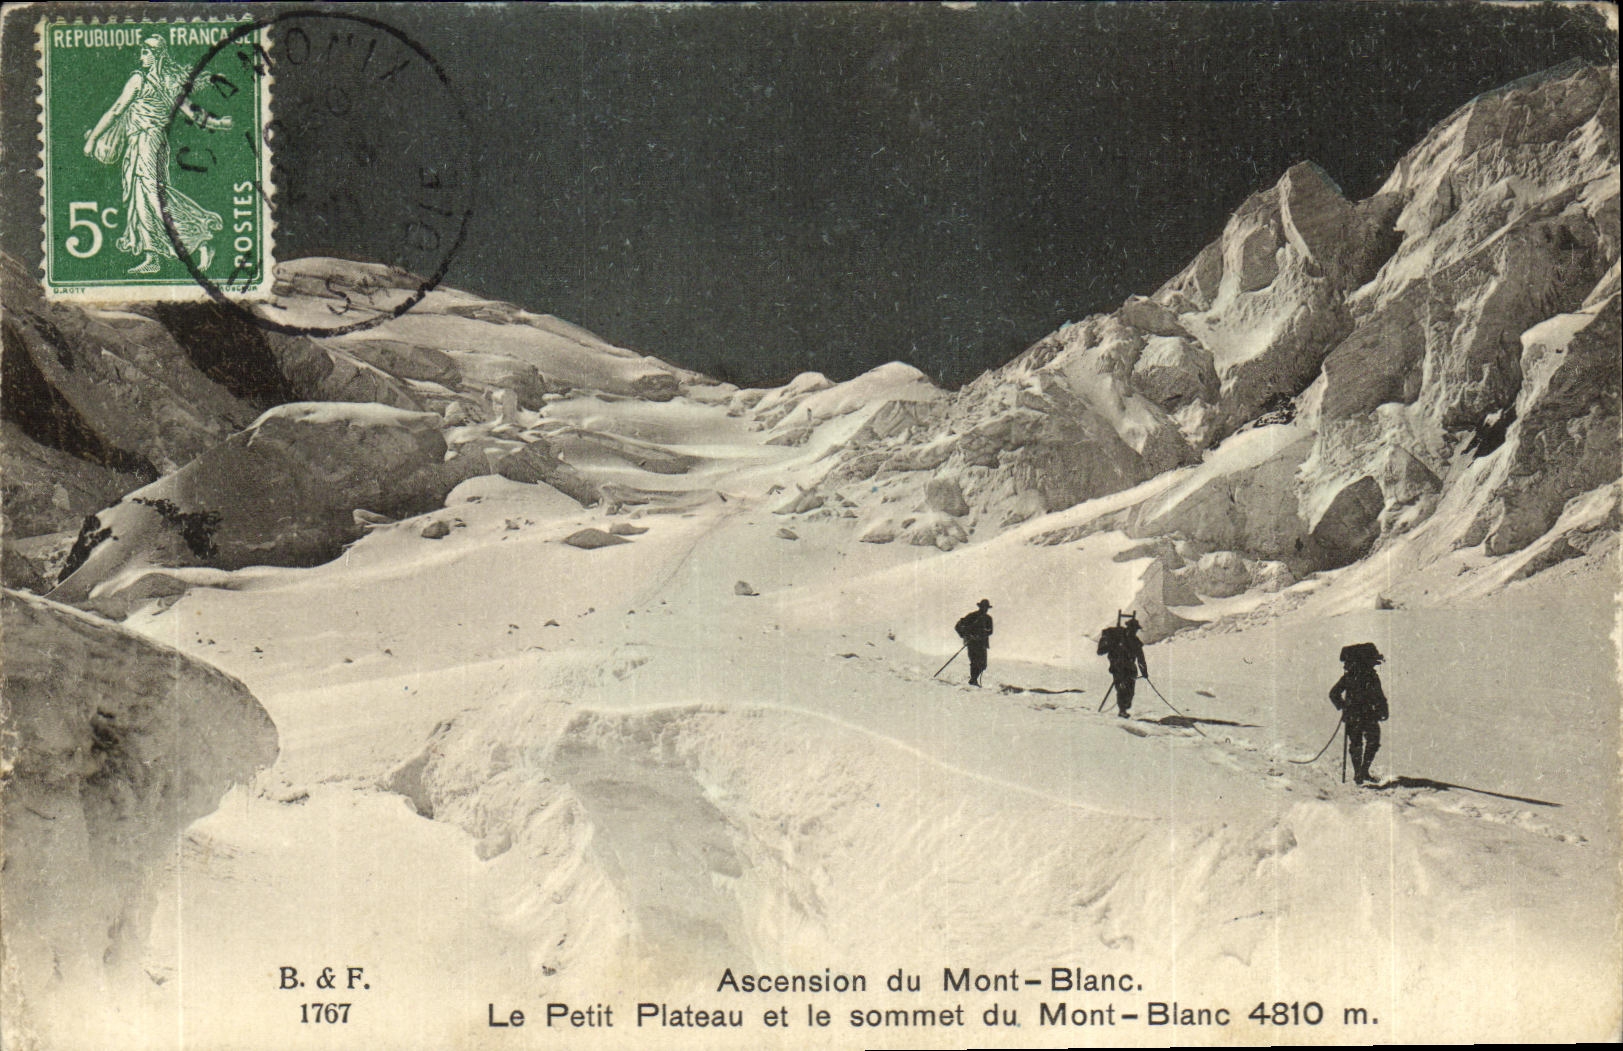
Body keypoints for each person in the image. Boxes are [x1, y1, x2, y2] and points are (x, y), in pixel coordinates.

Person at [84, 35, 230, 274]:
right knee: (140, 198)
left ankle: (200, 237)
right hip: (152, 143)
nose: (141, 57)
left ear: (156, 55)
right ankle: (152, 256)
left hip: (145, 142)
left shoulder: (138, 79)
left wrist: (92, 139)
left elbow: (116, 110)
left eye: (145, 53)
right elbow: (192, 112)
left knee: (152, 197)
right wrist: (219, 123)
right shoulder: (169, 81)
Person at [1329, 643, 1389, 785]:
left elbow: (1334, 694)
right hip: (1365, 715)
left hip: (1356, 715)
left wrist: (1343, 706)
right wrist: (1383, 709)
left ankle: (1360, 773)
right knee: (1369, 741)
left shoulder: (1353, 677)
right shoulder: (1367, 677)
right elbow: (1379, 696)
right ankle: (1361, 772)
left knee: (1359, 743)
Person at [1098, 616, 1148, 718]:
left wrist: (1144, 671)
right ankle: (1122, 710)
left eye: (1135, 629)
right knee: (1122, 689)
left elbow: (1140, 658)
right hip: (1118, 668)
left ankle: (1125, 707)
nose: (1134, 631)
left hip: (1130, 669)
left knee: (1130, 692)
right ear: (1128, 627)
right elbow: (1102, 651)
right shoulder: (1117, 638)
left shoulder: (1135, 641)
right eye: (1133, 628)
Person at [954, 599, 994, 687]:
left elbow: (990, 631)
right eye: (983, 607)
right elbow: (958, 626)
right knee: (975, 662)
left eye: (986, 608)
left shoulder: (988, 619)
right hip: (972, 643)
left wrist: (982, 634)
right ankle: (973, 680)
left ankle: (974, 679)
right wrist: (965, 635)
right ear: (980, 607)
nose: (985, 609)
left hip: (982, 644)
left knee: (983, 664)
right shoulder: (972, 616)